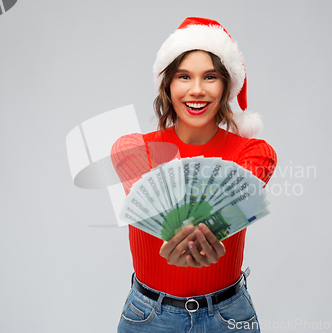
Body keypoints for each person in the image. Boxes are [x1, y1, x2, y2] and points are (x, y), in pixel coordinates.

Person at [111, 17, 277, 333]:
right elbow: (153, 210)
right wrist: (178, 235)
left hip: (227, 318)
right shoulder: (134, 150)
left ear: (227, 86)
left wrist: (211, 228)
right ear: (168, 85)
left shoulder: (252, 152)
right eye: (184, 76)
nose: (197, 90)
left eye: (210, 77)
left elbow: (236, 197)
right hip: (148, 317)